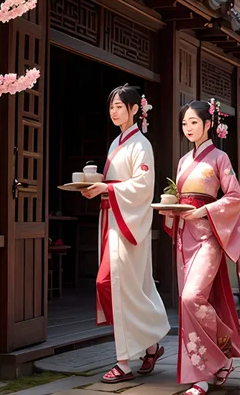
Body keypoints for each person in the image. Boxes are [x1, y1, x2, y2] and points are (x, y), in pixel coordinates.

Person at [161, 99, 240, 395]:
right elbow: (182, 198)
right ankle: (215, 361)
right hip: (186, 237)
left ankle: (210, 366)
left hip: (208, 238)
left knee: (190, 297)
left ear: (208, 124)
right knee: (188, 302)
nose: (188, 128)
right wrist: (173, 211)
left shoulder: (220, 158)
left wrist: (203, 212)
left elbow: (234, 197)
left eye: (194, 122)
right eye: (185, 123)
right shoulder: (183, 162)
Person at [80, 85, 170, 384]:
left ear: (135, 109)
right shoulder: (117, 143)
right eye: (111, 107)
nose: (114, 111)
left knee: (114, 284)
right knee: (120, 287)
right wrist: (96, 188)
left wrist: (107, 188)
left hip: (127, 223)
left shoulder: (141, 145)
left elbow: (143, 187)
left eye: (119, 106)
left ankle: (123, 362)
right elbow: (116, 184)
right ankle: (152, 345)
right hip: (113, 219)